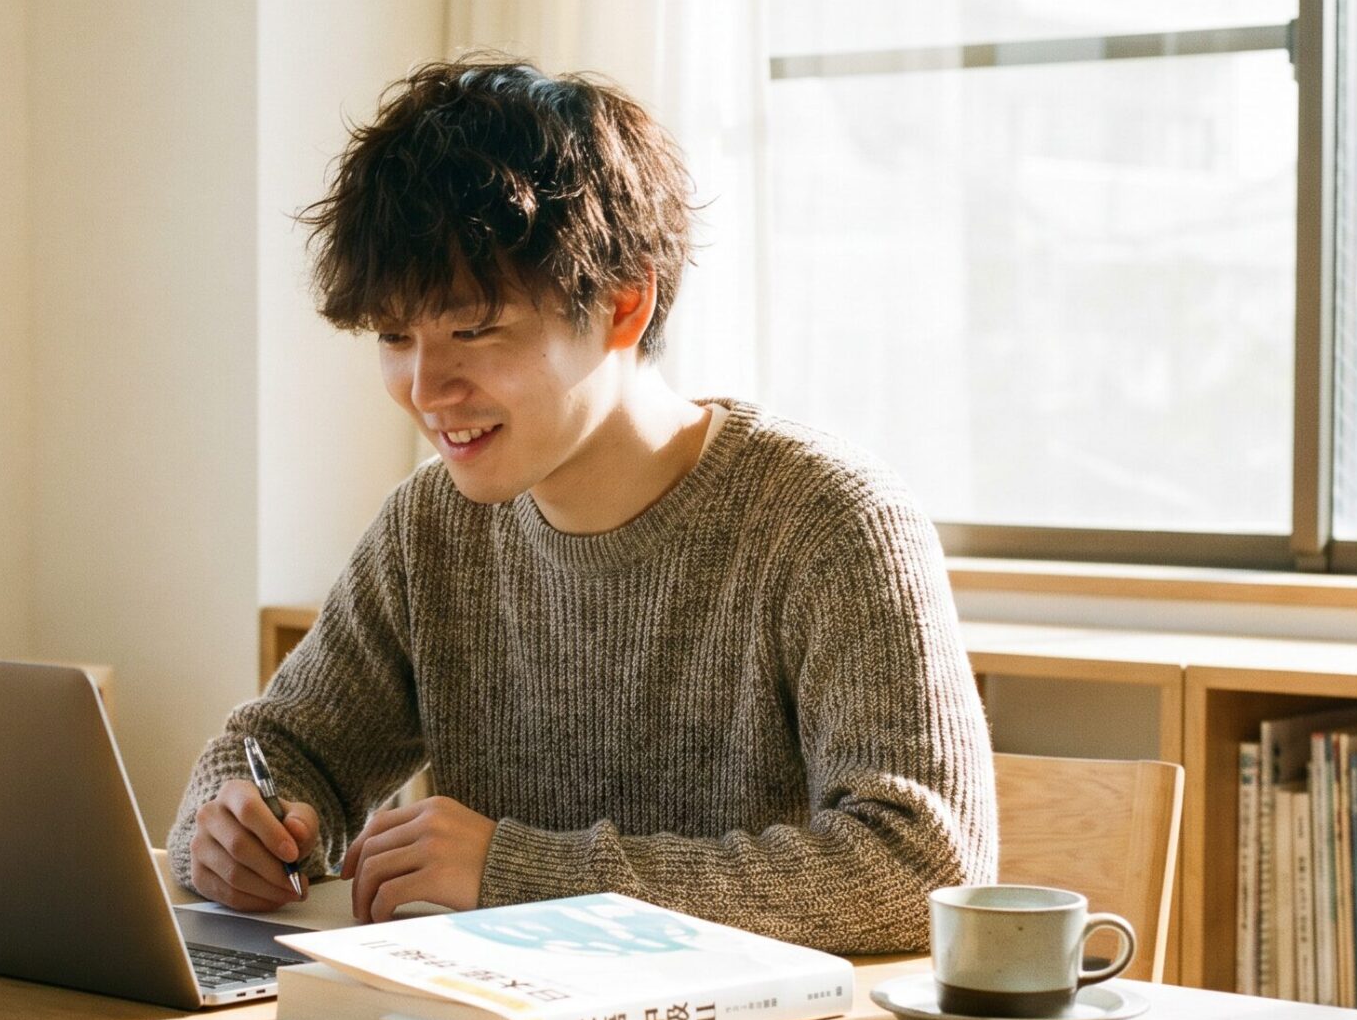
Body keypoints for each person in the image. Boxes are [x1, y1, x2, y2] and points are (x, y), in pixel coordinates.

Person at [165, 56, 995, 953]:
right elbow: (285, 750)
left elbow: (923, 870)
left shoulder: (829, 522)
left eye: (473, 329)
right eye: (395, 336)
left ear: (624, 303)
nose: (424, 386)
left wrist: (521, 874)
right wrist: (229, 829)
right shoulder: (432, 527)